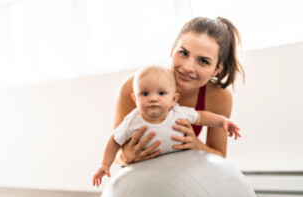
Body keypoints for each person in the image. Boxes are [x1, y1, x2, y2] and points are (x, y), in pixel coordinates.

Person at [113, 16, 245, 165]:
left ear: (217, 69)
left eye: (203, 61)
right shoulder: (135, 88)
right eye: (183, 53)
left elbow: (220, 156)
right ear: (172, 50)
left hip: (180, 174)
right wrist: (127, 156)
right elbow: (116, 155)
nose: (188, 67)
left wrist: (195, 145)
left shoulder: (219, 97)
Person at [92, 66, 241, 187]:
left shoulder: (178, 113)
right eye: (144, 94)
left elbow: (201, 117)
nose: (153, 99)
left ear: (173, 99)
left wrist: (222, 121)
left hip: (177, 172)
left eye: (161, 93)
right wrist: (105, 164)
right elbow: (114, 140)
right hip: (143, 172)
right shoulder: (132, 120)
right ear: (135, 99)